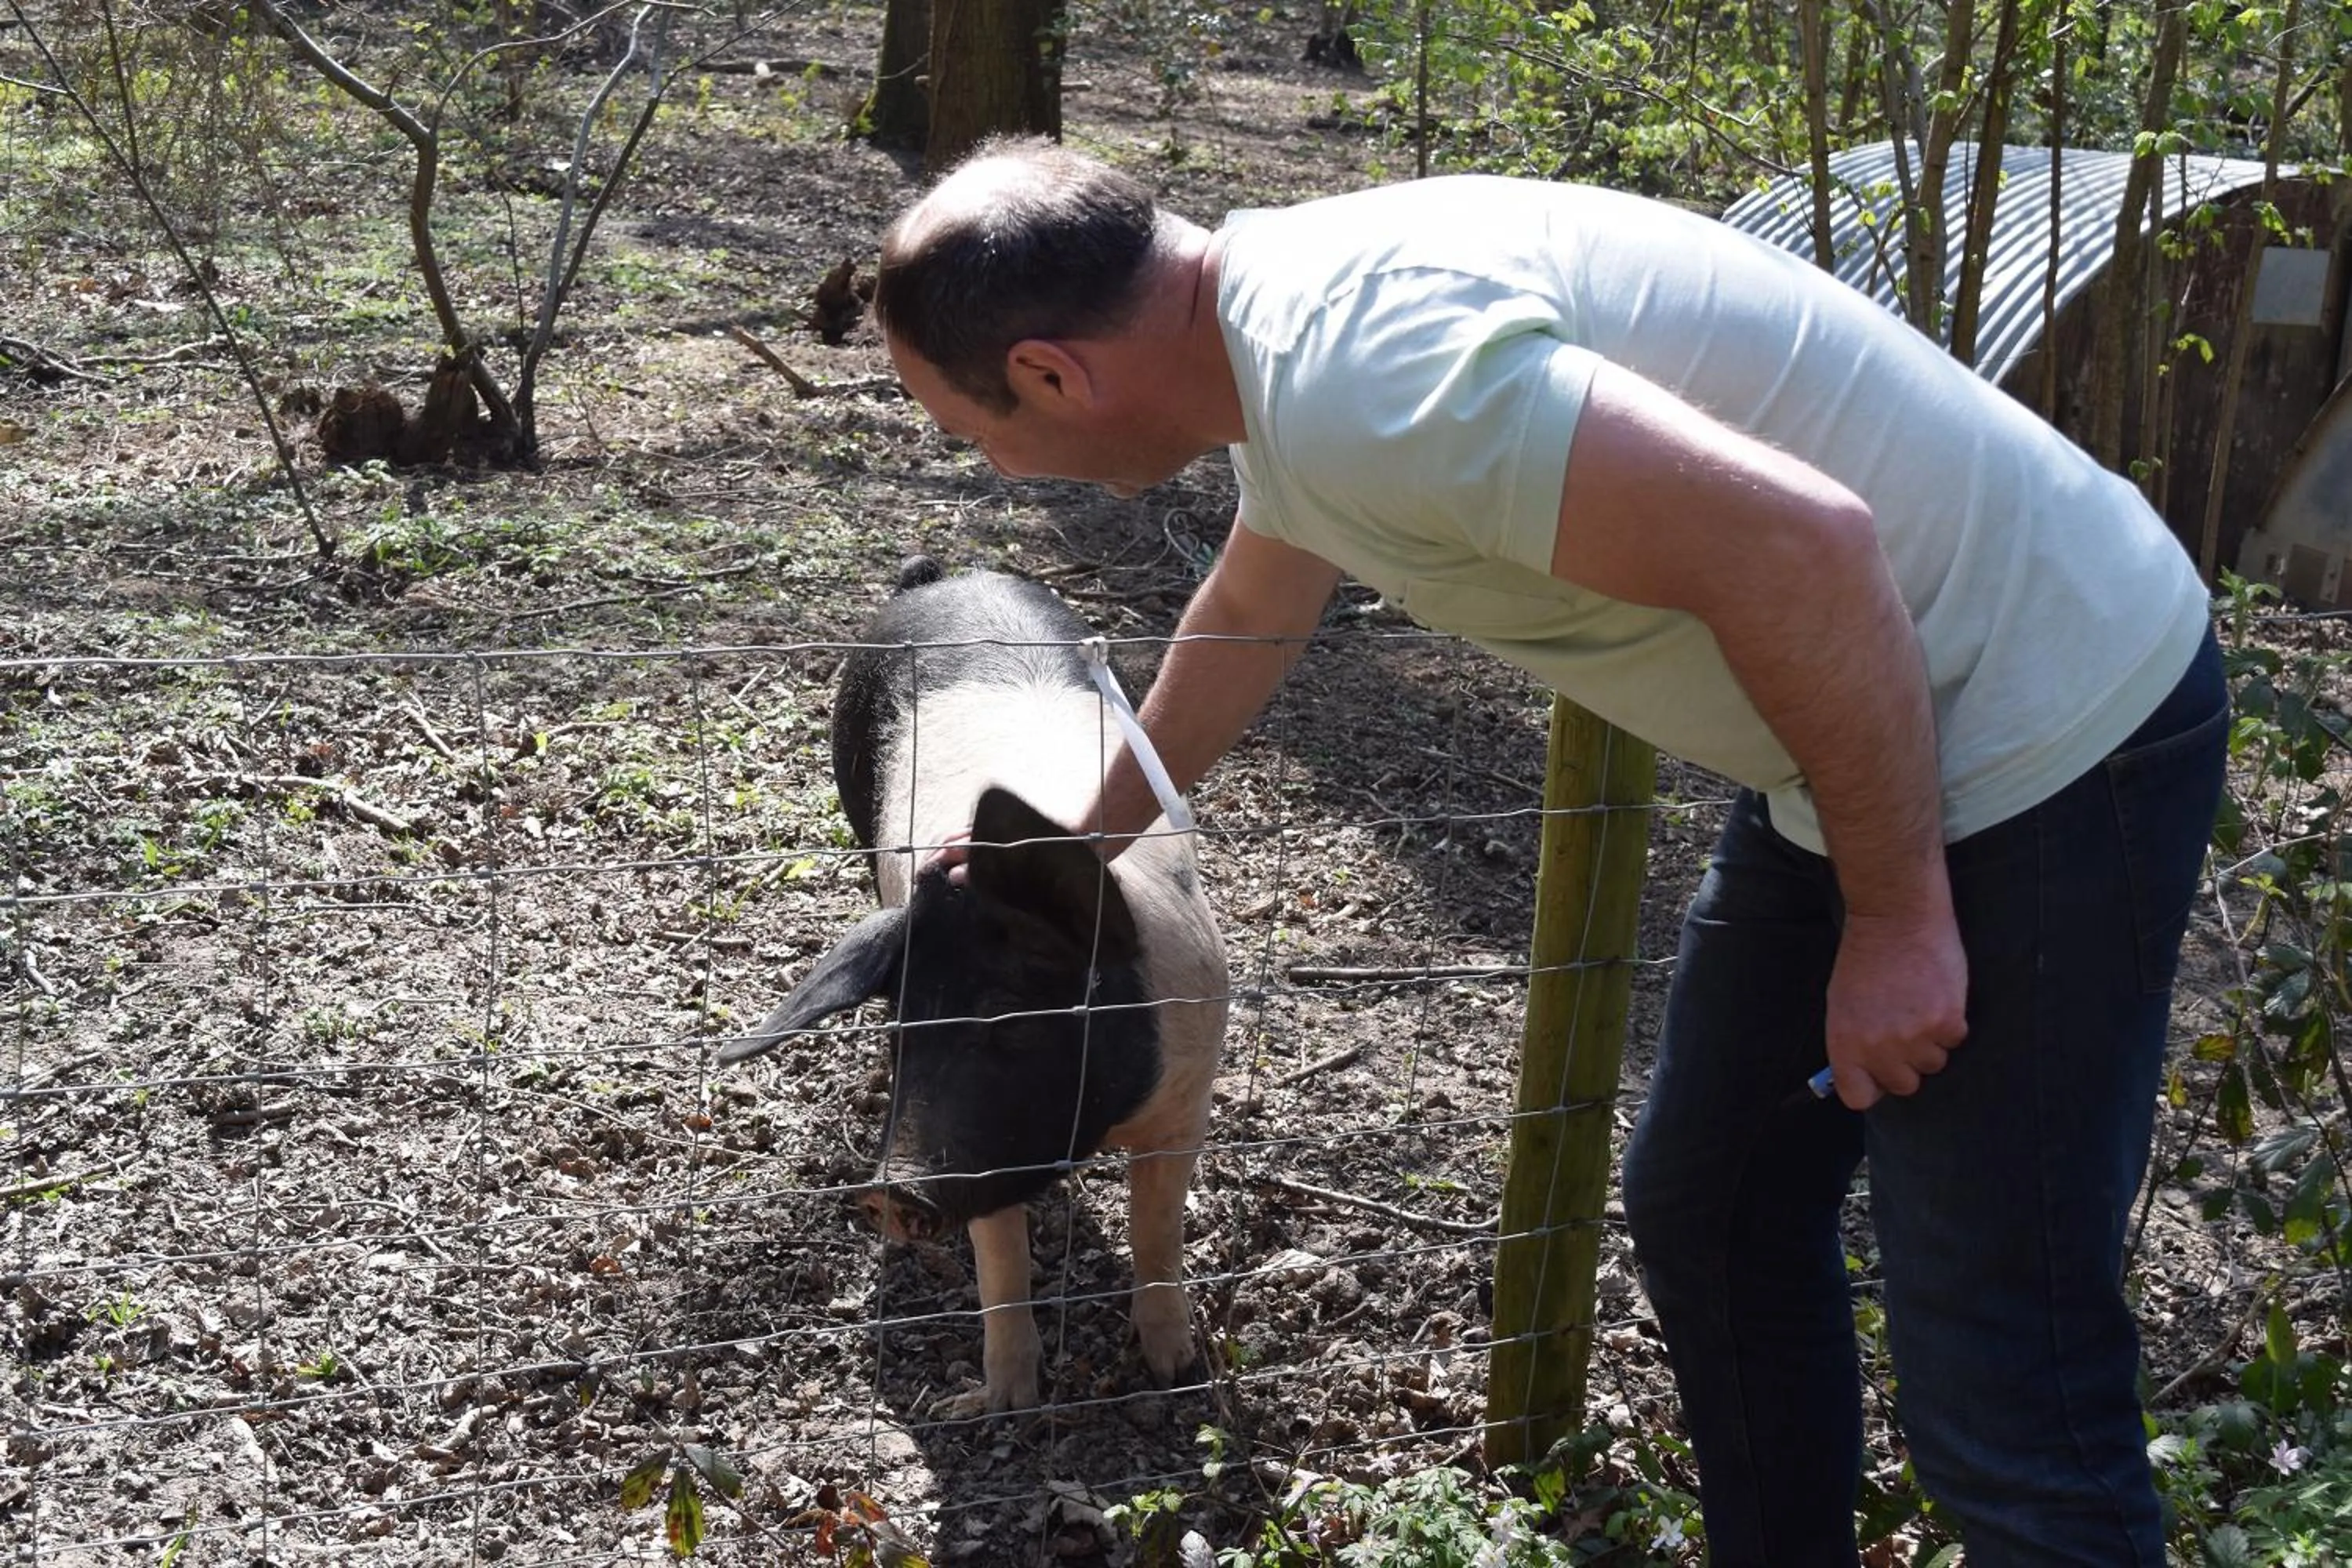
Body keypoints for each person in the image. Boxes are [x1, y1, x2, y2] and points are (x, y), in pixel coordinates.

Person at [871, 136, 2228, 1567]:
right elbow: (1253, 604)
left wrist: (1898, 918)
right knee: (1714, 1207)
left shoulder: (1370, 382)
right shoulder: (1280, 329)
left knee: (1999, 1368)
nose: (1000, 467)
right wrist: (1067, 851)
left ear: (1049, 374)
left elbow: (1808, 550)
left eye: (977, 436)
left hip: (2052, 738)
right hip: (1867, 748)